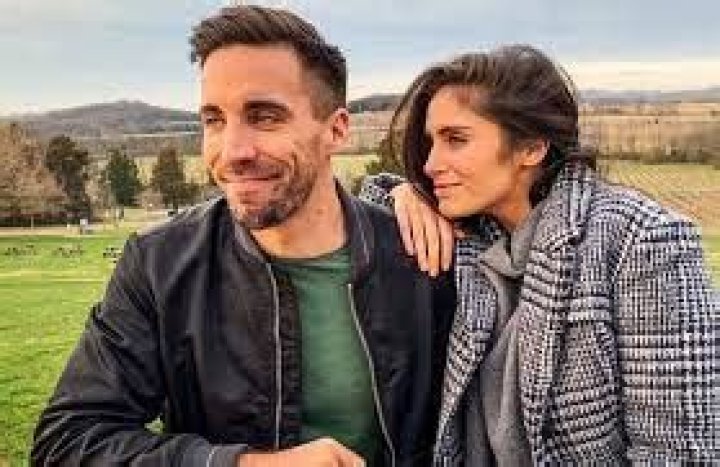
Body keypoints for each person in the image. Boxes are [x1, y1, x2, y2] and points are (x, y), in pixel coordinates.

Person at [32, 6, 454, 467]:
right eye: (214, 120)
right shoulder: (160, 265)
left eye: (265, 116)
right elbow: (68, 441)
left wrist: (413, 192)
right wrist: (243, 464)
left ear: (336, 131)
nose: (233, 151)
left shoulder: (423, 254)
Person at [360, 45, 719, 465]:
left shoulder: (639, 241)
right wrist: (404, 194)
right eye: (430, 142)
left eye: (456, 140)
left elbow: (679, 451)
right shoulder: (472, 235)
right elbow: (364, 225)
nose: (430, 163)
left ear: (531, 148)